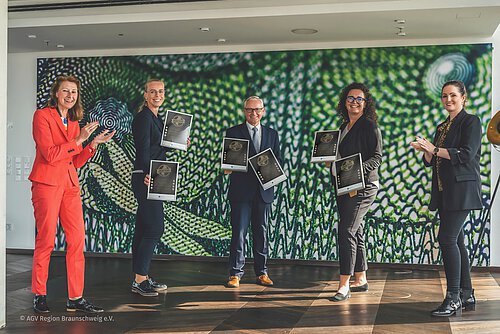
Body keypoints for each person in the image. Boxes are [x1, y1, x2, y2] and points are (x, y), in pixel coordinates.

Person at [29, 75, 115, 313]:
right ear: (56, 93)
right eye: (65, 91)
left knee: (77, 241)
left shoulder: (75, 122)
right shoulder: (42, 116)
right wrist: (79, 139)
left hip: (69, 186)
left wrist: (93, 144)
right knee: (46, 240)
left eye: (74, 92)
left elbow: (74, 162)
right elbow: (50, 155)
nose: (70, 96)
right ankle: (39, 294)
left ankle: (75, 297)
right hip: (46, 184)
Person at [411, 80, 481, 316]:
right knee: (457, 241)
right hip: (444, 192)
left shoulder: (471, 122)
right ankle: (467, 293)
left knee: (446, 239)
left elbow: (467, 155)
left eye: (453, 95)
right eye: (444, 96)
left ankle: (453, 297)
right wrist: (425, 151)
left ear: (463, 97)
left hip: (462, 191)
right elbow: (432, 160)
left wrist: (433, 149)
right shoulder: (442, 127)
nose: (448, 100)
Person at [331, 82, 382, 302]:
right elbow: (339, 157)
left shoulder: (369, 126)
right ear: (345, 102)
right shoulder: (342, 127)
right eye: (351, 98)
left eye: (359, 99)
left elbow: (377, 158)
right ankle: (360, 278)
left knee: (346, 231)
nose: (354, 102)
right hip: (344, 186)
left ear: (365, 103)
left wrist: (356, 169)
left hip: (364, 186)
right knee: (356, 230)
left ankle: (344, 285)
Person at [224, 96, 282, 288]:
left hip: (264, 191)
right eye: (249, 110)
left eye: (257, 110)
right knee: (239, 233)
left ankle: (262, 272)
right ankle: (235, 274)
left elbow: (278, 161)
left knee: (261, 232)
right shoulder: (233, 132)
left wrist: (274, 173)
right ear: (244, 111)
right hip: (241, 191)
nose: (253, 113)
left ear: (263, 111)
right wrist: (227, 167)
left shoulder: (272, 134)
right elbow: (228, 160)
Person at [131, 79, 171, 296]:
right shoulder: (143, 118)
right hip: (147, 178)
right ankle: (139, 280)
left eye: (161, 91)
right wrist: (149, 174)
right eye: (153, 92)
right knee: (155, 228)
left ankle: (141, 277)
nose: (157, 95)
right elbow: (143, 151)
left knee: (144, 229)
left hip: (152, 176)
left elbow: (157, 148)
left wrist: (180, 142)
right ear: (145, 94)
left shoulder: (156, 118)